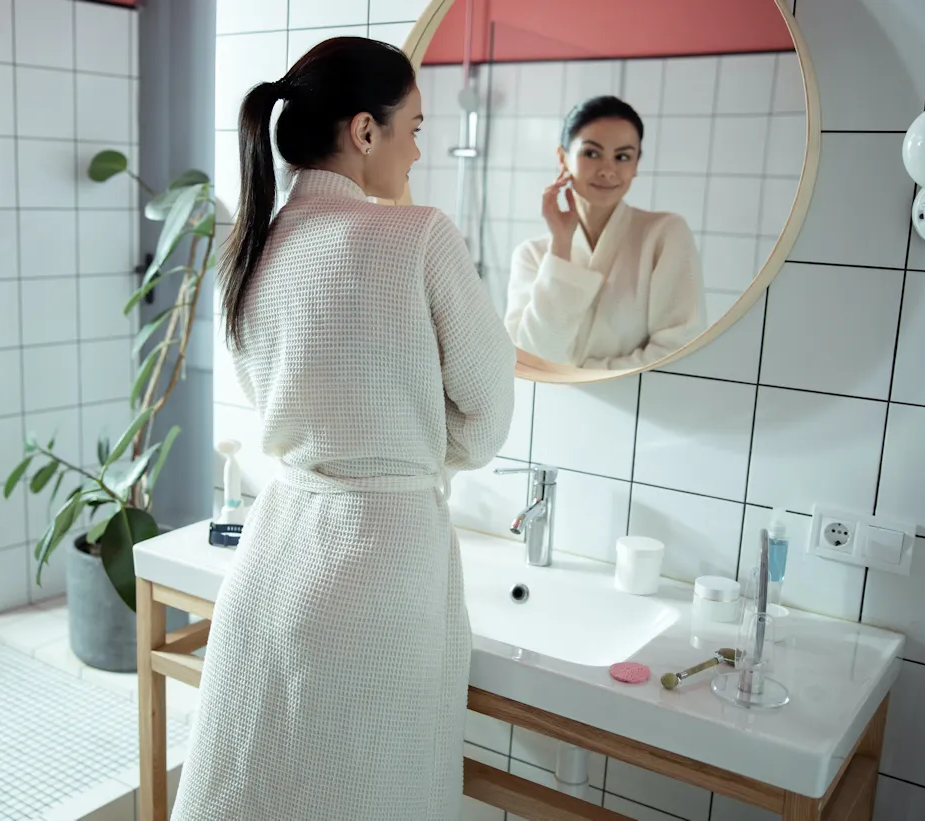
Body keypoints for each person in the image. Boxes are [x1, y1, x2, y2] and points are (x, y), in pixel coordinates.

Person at [171, 37, 515, 821]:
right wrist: (417, 450)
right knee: (371, 792)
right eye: (415, 128)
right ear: (365, 131)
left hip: (277, 554)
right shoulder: (418, 235)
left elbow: (269, 397)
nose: (418, 153)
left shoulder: (251, 246)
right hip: (383, 569)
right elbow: (487, 415)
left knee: (263, 783)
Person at [505, 95, 705, 369]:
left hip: (634, 406)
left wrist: (580, 374)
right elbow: (532, 356)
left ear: (636, 166)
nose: (608, 171)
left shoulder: (665, 234)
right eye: (591, 153)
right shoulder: (531, 254)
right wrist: (561, 246)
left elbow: (679, 349)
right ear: (563, 157)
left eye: (622, 157)